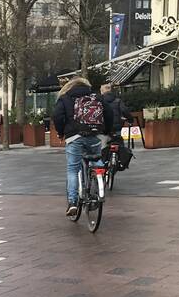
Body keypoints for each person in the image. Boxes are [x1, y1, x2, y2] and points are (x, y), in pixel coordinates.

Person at [52, 76, 112, 218]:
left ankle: (73, 202)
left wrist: (61, 133)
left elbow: (57, 116)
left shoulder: (65, 98)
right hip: (94, 136)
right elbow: (109, 113)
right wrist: (106, 131)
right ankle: (98, 183)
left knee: (73, 169)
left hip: (74, 137)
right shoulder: (96, 97)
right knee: (96, 160)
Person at [100, 83, 133, 169]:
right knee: (118, 143)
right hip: (117, 127)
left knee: (103, 146)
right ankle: (119, 161)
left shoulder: (100, 101)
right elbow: (125, 111)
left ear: (102, 91)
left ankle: (103, 163)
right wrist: (130, 120)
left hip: (104, 128)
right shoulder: (118, 101)